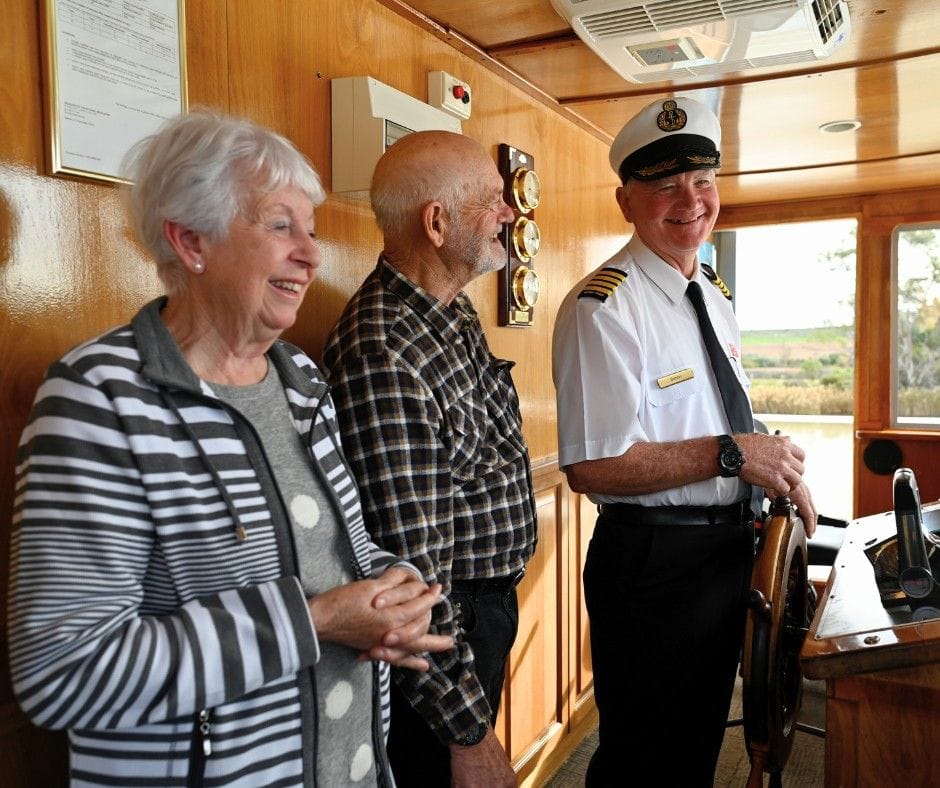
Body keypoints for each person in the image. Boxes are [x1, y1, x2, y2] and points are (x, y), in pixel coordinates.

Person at [7, 109, 452, 788]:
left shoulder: (300, 380)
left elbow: (338, 556)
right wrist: (316, 621)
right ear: (190, 241)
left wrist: (395, 588)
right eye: (280, 226)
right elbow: (64, 671)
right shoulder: (100, 399)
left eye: (311, 229)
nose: (311, 253)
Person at [551, 96, 818, 787]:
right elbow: (593, 464)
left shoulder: (712, 289)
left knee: (699, 744)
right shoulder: (603, 307)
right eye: (664, 185)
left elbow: (726, 412)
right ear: (625, 200)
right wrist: (733, 455)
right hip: (654, 563)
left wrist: (778, 471)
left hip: (726, 551)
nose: (689, 200)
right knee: (647, 757)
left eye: (702, 182)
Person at [322, 130, 538, 788]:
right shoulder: (385, 350)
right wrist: (467, 731)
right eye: (494, 201)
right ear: (437, 222)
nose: (511, 214)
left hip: (485, 609)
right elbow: (414, 576)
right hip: (448, 637)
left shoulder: (449, 311)